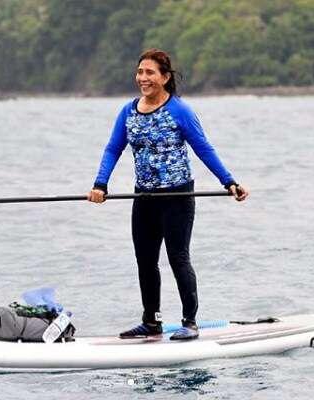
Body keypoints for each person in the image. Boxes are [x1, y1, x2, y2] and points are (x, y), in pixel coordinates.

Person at [88, 49, 249, 341]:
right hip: (145, 199)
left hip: (177, 197)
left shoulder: (179, 110)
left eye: (150, 73)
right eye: (140, 72)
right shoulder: (128, 111)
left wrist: (229, 181)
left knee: (178, 258)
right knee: (145, 260)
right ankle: (152, 321)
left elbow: (203, 148)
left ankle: (190, 321)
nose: (143, 78)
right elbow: (113, 149)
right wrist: (101, 184)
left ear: (164, 77)